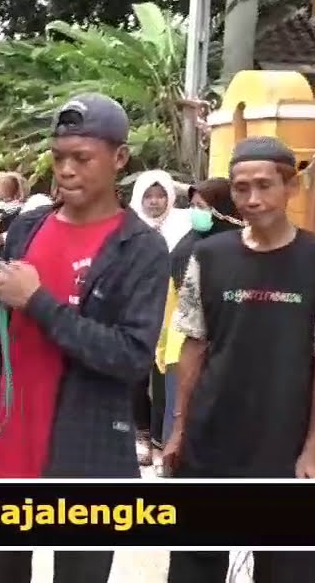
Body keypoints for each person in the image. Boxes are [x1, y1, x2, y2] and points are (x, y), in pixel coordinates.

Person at [0, 93, 170, 583]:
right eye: (60, 157)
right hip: (8, 446)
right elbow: (1, 327)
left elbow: (130, 355)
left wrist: (40, 301)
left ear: (120, 159)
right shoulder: (28, 227)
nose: (67, 170)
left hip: (86, 458)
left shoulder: (142, 248)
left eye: (82, 158)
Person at [164, 137, 315, 583]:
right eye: (241, 188)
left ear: (290, 188)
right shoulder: (208, 256)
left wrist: (313, 449)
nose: (253, 199)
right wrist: (179, 428)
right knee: (193, 567)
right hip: (210, 439)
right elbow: (193, 345)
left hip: (285, 445)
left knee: (288, 568)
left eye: (265, 185)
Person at [154, 177, 241, 449]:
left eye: (203, 207)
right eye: (193, 206)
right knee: (178, 435)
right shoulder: (187, 246)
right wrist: (162, 345)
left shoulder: (239, 250)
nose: (196, 213)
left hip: (221, 359)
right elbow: (170, 300)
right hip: (180, 352)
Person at [128, 169, 192, 466]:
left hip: (173, 313)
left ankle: (161, 437)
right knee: (137, 374)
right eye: (149, 196)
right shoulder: (128, 226)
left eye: (161, 195)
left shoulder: (185, 224)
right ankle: (140, 433)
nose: (155, 202)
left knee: (166, 375)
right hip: (135, 310)